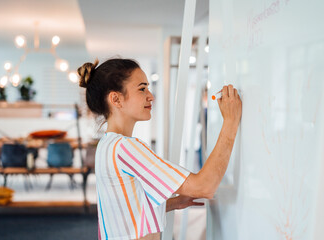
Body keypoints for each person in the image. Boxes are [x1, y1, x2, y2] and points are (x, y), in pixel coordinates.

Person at [77, 58, 242, 240]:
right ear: (116, 99)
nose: (151, 96)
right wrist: (231, 121)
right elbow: (205, 186)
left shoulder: (106, 145)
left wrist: (172, 203)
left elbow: (123, 208)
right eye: (142, 89)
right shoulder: (126, 148)